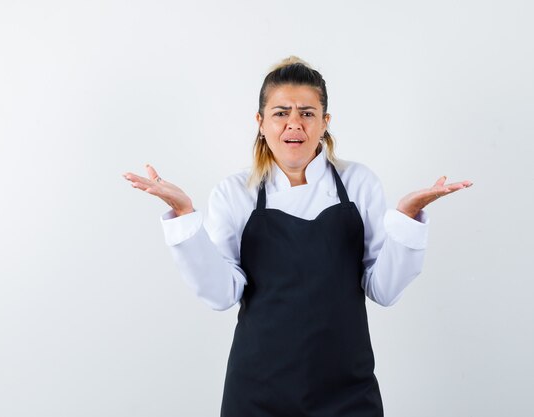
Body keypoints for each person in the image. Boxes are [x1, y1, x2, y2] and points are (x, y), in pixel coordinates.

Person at [123, 56, 472, 417]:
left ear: (325, 122)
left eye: (307, 112)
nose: (294, 123)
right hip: (257, 391)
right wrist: (184, 217)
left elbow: (383, 290)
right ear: (260, 122)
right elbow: (220, 295)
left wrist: (407, 219)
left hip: (346, 390)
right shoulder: (235, 192)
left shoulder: (358, 183)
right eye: (281, 113)